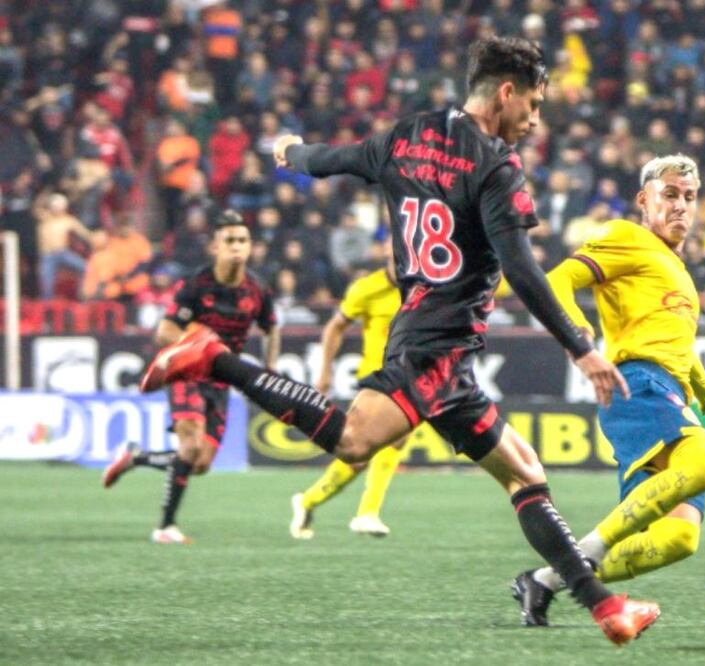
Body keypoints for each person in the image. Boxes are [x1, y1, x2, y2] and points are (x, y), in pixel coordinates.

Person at [135, 36, 658, 644]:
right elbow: (521, 270)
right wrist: (581, 346)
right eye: (535, 104)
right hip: (437, 339)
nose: (536, 119)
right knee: (355, 442)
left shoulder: (406, 136)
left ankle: (603, 608)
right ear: (506, 92)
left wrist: (290, 151)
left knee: (524, 472)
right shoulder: (496, 166)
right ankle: (217, 359)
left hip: (441, 348)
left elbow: (333, 157)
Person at [511, 154, 705, 627]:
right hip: (639, 384)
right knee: (704, 465)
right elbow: (558, 280)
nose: (680, 207)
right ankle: (586, 557)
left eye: (689, 198)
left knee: (679, 539)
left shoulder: (674, 268)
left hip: (667, 386)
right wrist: (577, 336)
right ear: (643, 199)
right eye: (669, 195)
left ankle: (547, 579)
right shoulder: (626, 236)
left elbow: (672, 340)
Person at [103, 211, 278, 545]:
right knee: (190, 445)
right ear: (215, 246)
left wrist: (269, 370)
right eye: (229, 240)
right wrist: (196, 344)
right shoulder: (196, 284)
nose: (236, 247)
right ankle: (166, 527)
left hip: (223, 380)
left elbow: (272, 328)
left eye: (242, 240)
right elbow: (164, 331)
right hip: (189, 373)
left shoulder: (257, 289)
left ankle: (137, 457)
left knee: (200, 463)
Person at [289, 256, 406, 540]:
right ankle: (367, 512)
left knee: (363, 455)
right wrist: (325, 372)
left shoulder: (421, 287)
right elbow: (334, 327)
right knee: (383, 444)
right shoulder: (367, 289)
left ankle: (308, 501)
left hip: (409, 377)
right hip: (376, 378)